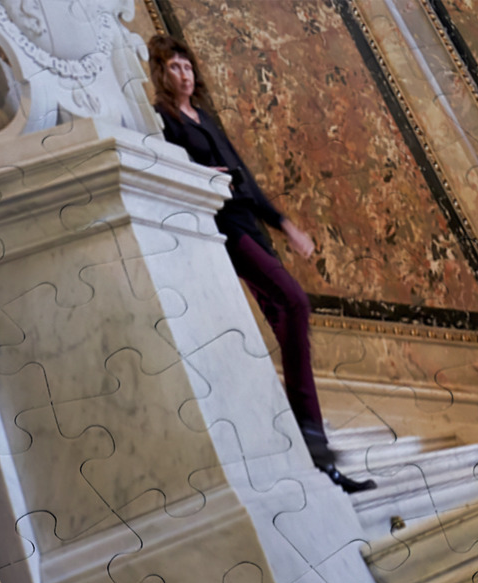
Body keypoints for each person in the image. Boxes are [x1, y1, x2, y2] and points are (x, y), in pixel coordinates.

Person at [146, 34, 375, 493]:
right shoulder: (164, 119)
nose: (184, 73)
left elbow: (245, 178)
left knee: (290, 326)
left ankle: (318, 455)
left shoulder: (204, 117)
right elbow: (171, 171)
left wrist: (285, 224)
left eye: (187, 65)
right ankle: (309, 437)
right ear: (161, 73)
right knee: (295, 302)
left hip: (250, 222)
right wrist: (204, 176)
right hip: (224, 227)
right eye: (173, 67)